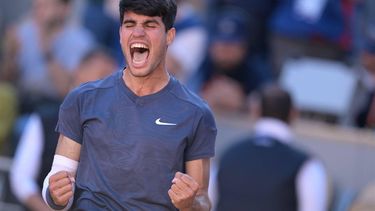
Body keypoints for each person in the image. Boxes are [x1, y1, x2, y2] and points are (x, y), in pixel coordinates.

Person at [41, 0, 217, 210]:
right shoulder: (82, 98)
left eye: (150, 25)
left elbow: (203, 201)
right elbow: (59, 177)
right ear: (120, 33)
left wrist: (189, 204)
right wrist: (55, 195)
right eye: (130, 24)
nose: (138, 33)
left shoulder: (197, 113)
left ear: (169, 36)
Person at [9, 48, 116, 211]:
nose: (109, 84)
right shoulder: (44, 119)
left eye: (113, 78)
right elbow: (21, 178)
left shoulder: (115, 127)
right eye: (102, 74)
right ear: (78, 72)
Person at [215, 84, 329, 211]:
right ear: (294, 113)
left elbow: (208, 203)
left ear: (255, 111)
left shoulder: (227, 156)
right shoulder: (307, 165)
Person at [198, 7, 272, 113]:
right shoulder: (203, 64)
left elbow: (268, 100)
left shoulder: (255, 69)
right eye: (221, 45)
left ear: (244, 47)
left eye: (231, 45)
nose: (225, 51)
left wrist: (243, 102)